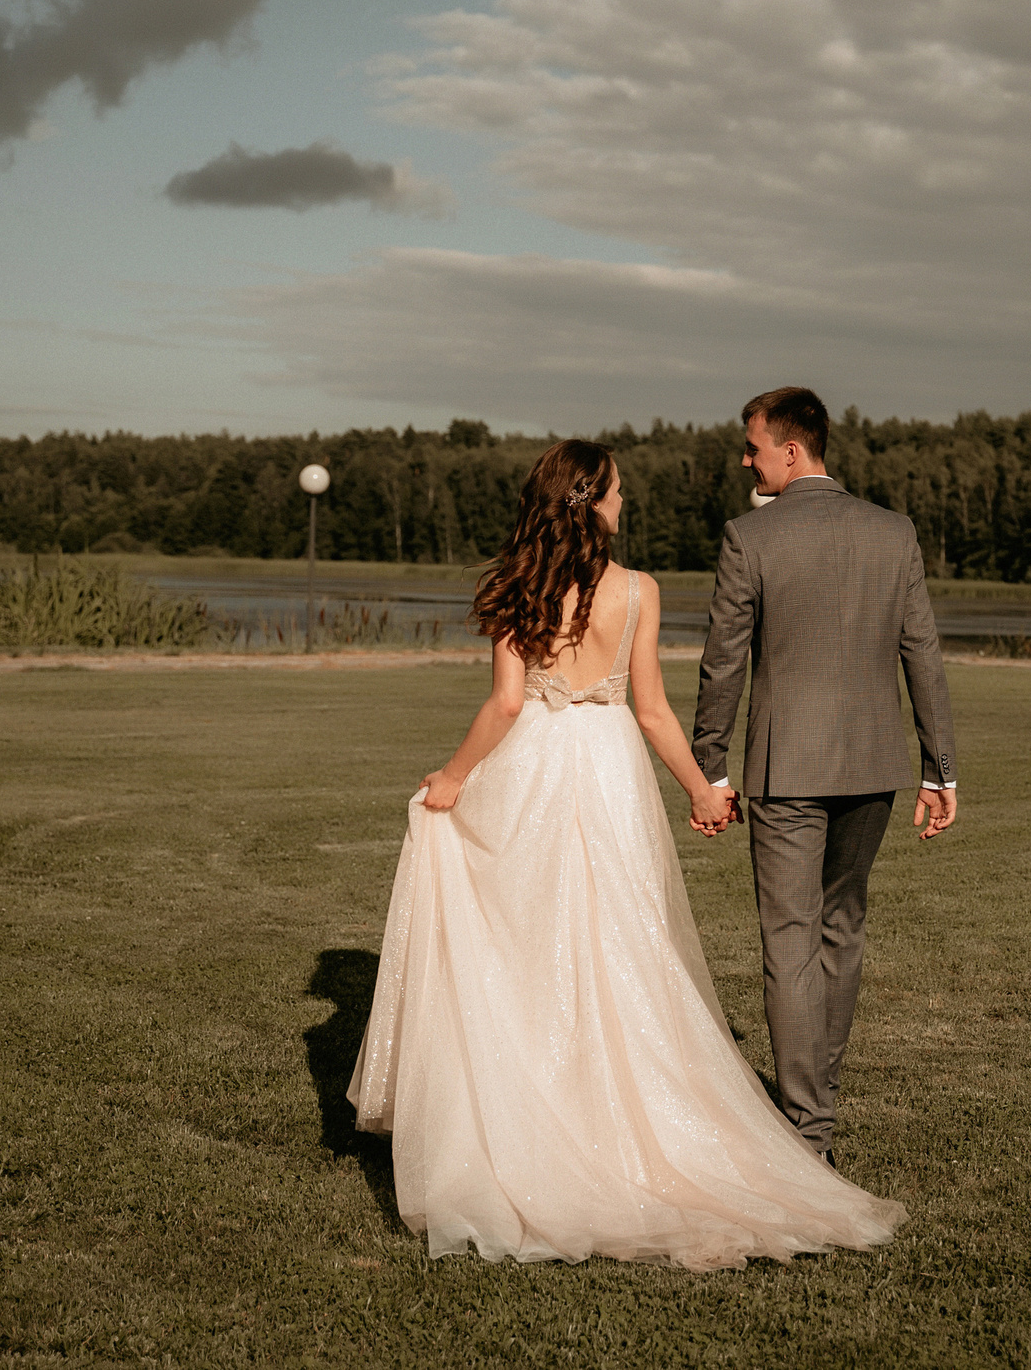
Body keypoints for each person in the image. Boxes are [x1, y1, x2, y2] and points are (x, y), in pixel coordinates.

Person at [347, 438, 904, 1270]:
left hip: (533, 765)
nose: (624, 501)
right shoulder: (637, 591)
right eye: (617, 491)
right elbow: (651, 712)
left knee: (531, 945)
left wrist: (454, 779)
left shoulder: (517, 584)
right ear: (591, 500)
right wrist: (702, 789)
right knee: (620, 940)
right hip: (607, 769)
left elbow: (505, 704)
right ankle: (617, 1112)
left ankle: (540, 1115)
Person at [690, 387, 959, 1167]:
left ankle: (807, 1127)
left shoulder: (749, 536)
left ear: (791, 451)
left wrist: (711, 764)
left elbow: (723, 663)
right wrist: (939, 770)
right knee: (842, 927)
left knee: (790, 938)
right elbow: (924, 656)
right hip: (874, 764)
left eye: (752, 446)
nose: (745, 458)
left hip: (786, 767)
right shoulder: (893, 531)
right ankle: (818, 1105)